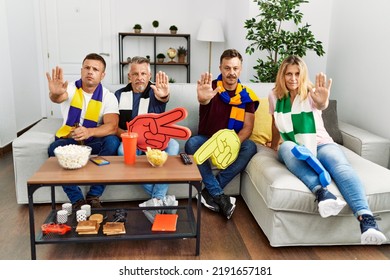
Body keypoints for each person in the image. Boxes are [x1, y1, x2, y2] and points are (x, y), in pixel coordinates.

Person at [268, 55, 387, 245]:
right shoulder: (274, 96)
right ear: (282, 75)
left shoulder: (312, 92)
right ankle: (322, 191)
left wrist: (323, 102)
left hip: (321, 143)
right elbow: (275, 123)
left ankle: (367, 220)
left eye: (297, 74)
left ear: (303, 74)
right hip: (294, 147)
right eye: (288, 74)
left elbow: (321, 105)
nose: (293, 78)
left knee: (340, 167)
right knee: (287, 147)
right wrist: (274, 144)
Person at [185, 49, 259, 219]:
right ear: (220, 68)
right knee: (192, 143)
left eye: (235, 68)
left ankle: (210, 192)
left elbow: (248, 127)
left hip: (230, 143)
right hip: (208, 140)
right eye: (227, 68)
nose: (231, 73)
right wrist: (203, 99)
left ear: (240, 69)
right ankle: (219, 195)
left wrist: (233, 143)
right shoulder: (210, 88)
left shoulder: (246, 96)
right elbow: (204, 99)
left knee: (250, 146)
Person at [47, 53, 120, 210]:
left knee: (113, 141)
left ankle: (94, 195)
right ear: (81, 70)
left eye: (95, 69)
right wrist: (56, 93)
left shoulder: (108, 97)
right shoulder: (71, 88)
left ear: (102, 75)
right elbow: (59, 97)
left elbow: (112, 126)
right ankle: (77, 200)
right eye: (87, 68)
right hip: (71, 139)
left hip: (93, 139)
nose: (90, 72)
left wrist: (89, 132)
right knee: (54, 148)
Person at [114, 56, 179, 223]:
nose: (139, 77)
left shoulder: (155, 92)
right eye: (135, 74)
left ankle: (155, 200)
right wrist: (129, 136)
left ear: (149, 76)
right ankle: (160, 200)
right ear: (129, 76)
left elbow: (162, 99)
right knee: (122, 150)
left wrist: (164, 96)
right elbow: (115, 126)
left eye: (143, 73)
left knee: (174, 145)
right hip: (132, 141)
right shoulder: (120, 95)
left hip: (155, 142)